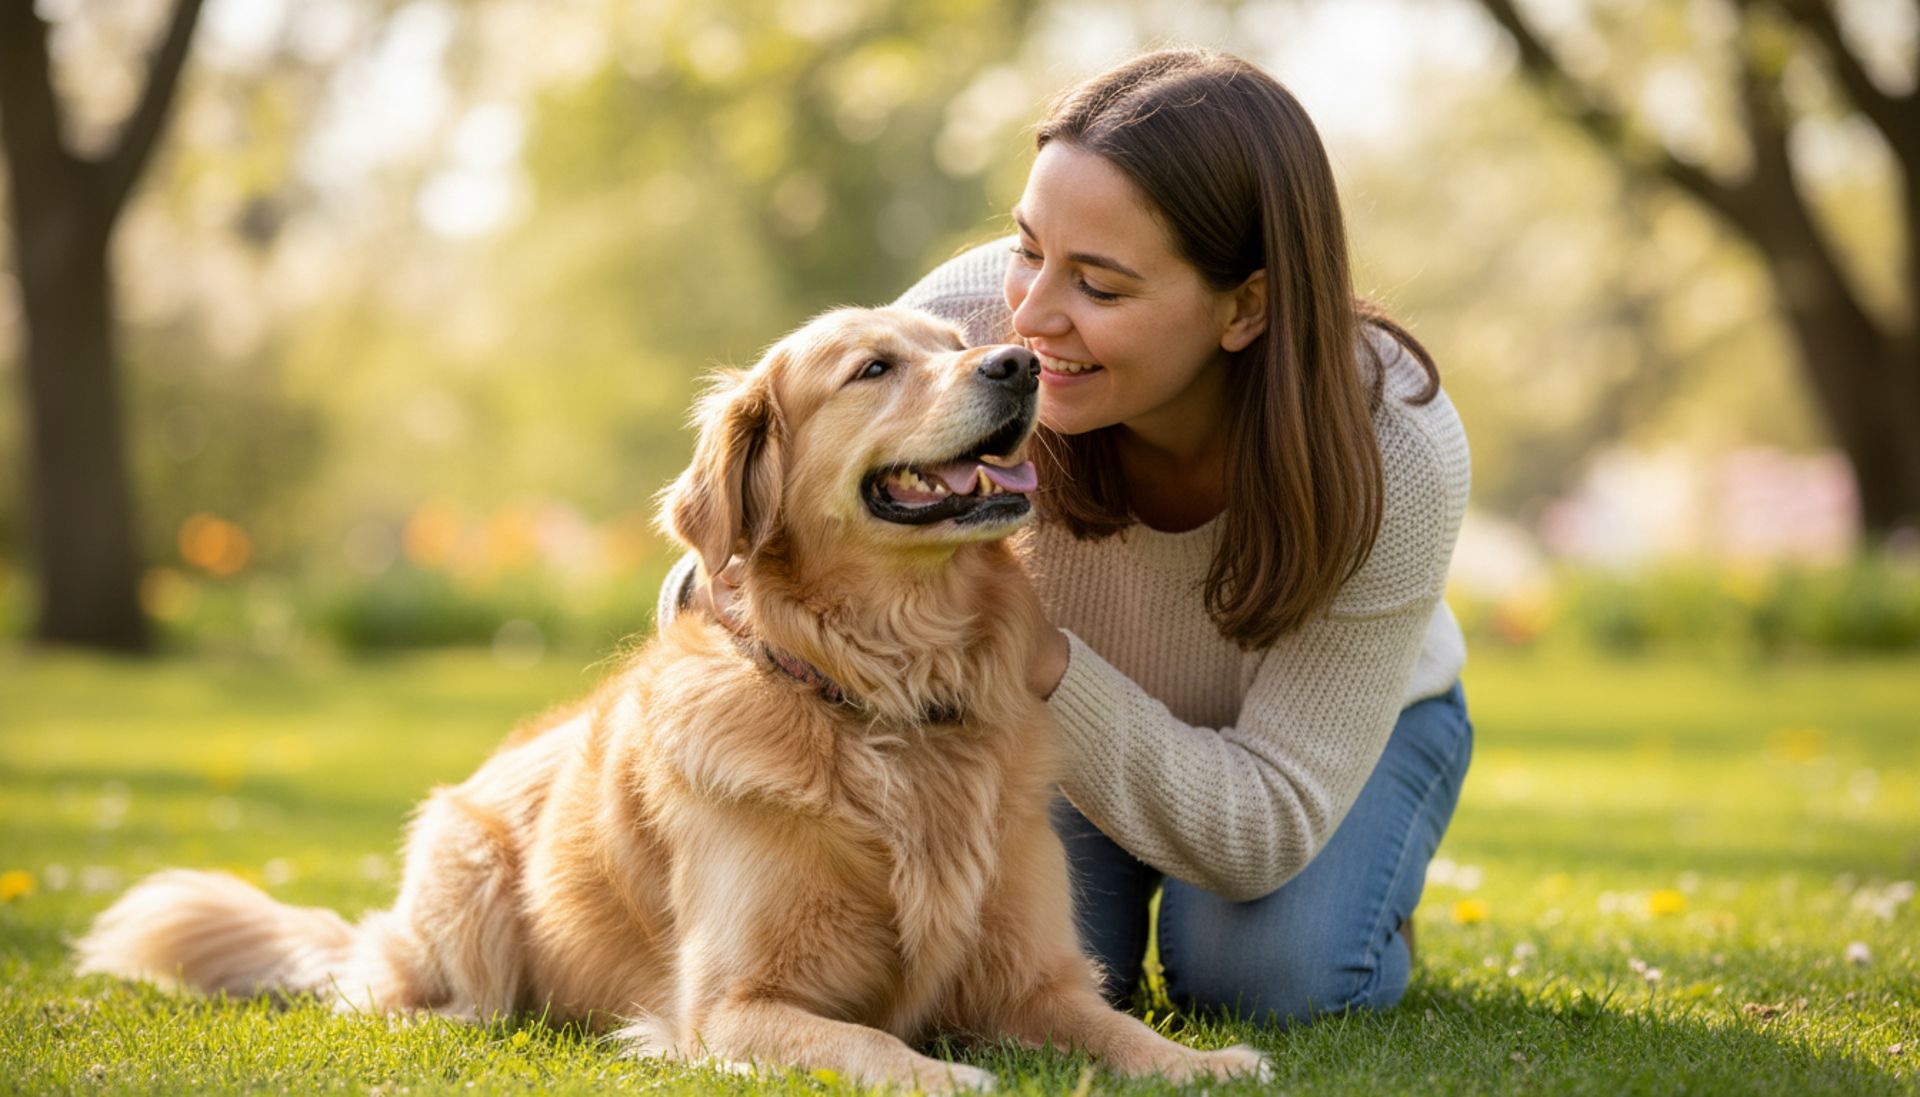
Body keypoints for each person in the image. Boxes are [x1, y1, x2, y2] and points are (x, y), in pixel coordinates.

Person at [659, 47, 1472, 1026]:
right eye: (1028, 246)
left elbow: (1261, 827)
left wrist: (1042, 655)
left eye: (1101, 285)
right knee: (1035, 977)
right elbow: (740, 550)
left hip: (1304, 752)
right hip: (1042, 731)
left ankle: (1362, 886)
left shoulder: (1398, 445)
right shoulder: (961, 333)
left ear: (1245, 306)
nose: (1031, 320)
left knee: (1263, 975)